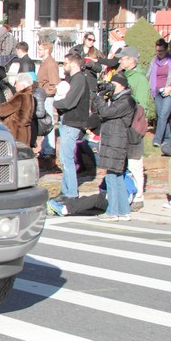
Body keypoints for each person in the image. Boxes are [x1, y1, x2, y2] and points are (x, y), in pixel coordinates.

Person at [92, 72, 136, 221]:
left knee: (112, 177)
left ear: (122, 85)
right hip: (113, 140)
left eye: (114, 84)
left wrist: (100, 99)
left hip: (117, 141)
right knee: (116, 177)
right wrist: (100, 96)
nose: (112, 86)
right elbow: (98, 111)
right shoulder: (116, 99)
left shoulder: (126, 101)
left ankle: (113, 211)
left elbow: (105, 112)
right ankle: (123, 211)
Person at [53, 53, 92, 201]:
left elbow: (70, 102)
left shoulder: (79, 79)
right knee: (65, 158)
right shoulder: (74, 79)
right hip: (68, 121)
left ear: (74, 64)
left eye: (66, 63)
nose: (64, 66)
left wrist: (56, 104)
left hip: (73, 122)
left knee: (67, 158)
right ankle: (66, 190)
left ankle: (71, 193)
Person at [116, 46, 149, 210]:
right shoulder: (122, 75)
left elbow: (141, 106)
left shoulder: (140, 79)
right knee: (122, 162)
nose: (120, 60)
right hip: (121, 125)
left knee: (135, 163)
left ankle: (138, 197)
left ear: (131, 60)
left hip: (134, 126)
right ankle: (125, 191)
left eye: (123, 58)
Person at [147, 39, 171, 149]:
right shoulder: (153, 61)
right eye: (157, 51)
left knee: (164, 115)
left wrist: (169, 88)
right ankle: (167, 138)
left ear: (166, 50)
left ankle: (157, 139)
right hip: (157, 91)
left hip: (169, 92)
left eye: (161, 50)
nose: (159, 53)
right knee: (161, 116)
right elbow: (148, 75)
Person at [36, 40, 59, 159]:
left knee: (48, 122)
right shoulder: (45, 62)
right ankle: (46, 148)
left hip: (47, 97)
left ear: (47, 50)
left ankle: (50, 149)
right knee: (44, 122)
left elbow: (54, 84)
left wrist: (46, 94)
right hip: (43, 95)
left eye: (40, 49)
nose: (38, 51)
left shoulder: (51, 63)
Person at [0, 72, 35, 145]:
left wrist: (2, 104)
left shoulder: (20, 96)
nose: (15, 85)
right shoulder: (31, 96)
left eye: (16, 83)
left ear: (22, 85)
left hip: (16, 132)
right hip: (25, 132)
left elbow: (2, 111)